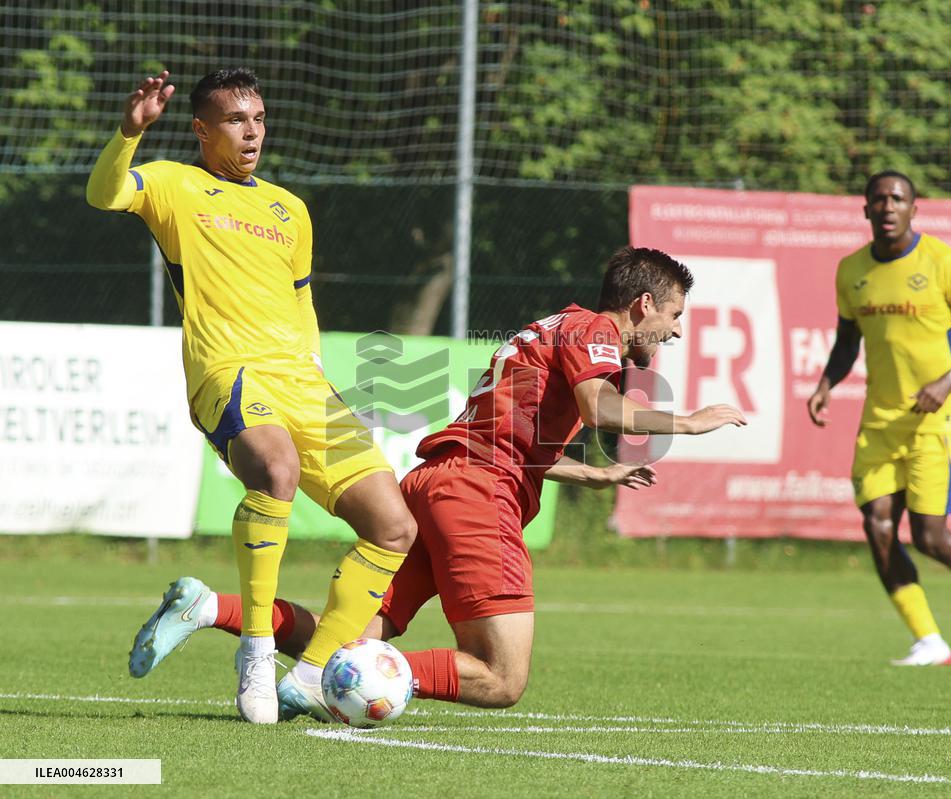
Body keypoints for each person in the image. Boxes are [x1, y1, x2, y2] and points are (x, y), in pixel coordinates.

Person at [128, 246, 747, 719]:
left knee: (350, 639)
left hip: (442, 483)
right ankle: (352, 684)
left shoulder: (557, 325)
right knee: (502, 678)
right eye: (673, 316)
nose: (674, 331)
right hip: (478, 499)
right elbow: (601, 411)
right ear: (642, 304)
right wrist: (689, 422)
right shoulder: (596, 332)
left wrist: (588, 472)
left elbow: (506, 434)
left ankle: (209, 608)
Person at [87, 69, 417, 723]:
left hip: (304, 382)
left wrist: (318, 370)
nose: (253, 131)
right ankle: (258, 652)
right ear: (202, 130)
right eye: (237, 120)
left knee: (395, 524)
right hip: (229, 371)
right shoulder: (176, 185)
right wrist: (129, 131)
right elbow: (105, 194)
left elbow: (303, 304)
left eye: (260, 118)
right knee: (277, 469)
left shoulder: (289, 208)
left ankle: (313, 671)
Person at [807, 170, 951, 666]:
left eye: (898, 198)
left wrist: (948, 380)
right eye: (879, 198)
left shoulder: (943, 263)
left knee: (931, 537)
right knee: (877, 526)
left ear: (915, 209)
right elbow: (848, 340)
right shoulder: (851, 270)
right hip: (880, 421)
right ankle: (929, 641)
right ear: (865, 209)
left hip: (933, 422)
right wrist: (827, 383)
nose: (888, 205)